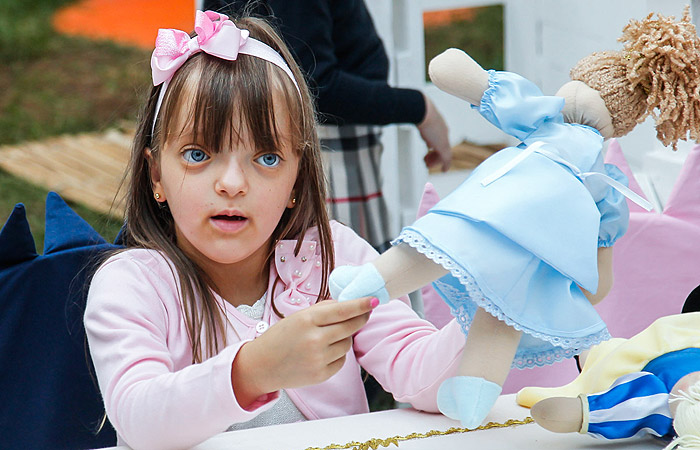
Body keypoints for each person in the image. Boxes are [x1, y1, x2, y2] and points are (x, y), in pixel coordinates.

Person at [84, 11, 466, 450]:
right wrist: (252, 370)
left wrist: (489, 310)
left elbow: (425, 381)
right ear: (155, 176)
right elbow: (139, 419)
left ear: (295, 181)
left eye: (266, 158)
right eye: (197, 154)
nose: (232, 183)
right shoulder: (132, 283)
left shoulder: (335, 256)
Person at [203, 0, 452, 252]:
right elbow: (314, 84)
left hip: (316, 148)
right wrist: (420, 108)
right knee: (341, 276)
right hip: (325, 155)